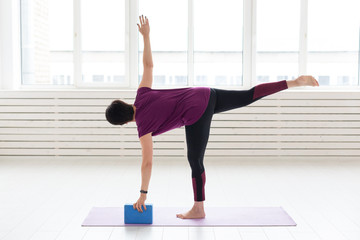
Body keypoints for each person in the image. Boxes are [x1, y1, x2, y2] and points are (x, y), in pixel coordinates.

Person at [105, 15, 320, 219]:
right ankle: (293, 82)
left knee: (194, 160)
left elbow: (147, 163)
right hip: (205, 93)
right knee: (247, 96)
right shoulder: (142, 94)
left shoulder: (143, 127)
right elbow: (149, 65)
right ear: (124, 104)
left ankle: (199, 208)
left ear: (123, 122)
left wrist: (143, 193)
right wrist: (146, 36)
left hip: (195, 111)